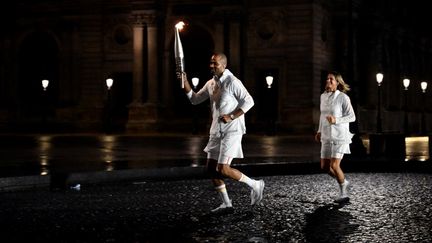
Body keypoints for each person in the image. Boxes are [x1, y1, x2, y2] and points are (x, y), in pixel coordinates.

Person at [180, 52, 265, 213]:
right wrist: (185, 82)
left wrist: (232, 116)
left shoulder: (233, 82)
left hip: (232, 130)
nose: (212, 66)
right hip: (216, 131)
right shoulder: (211, 83)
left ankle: (256, 184)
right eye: (211, 63)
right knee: (211, 169)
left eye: (215, 63)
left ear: (224, 65)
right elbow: (195, 99)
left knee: (223, 168)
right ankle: (226, 204)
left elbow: (249, 101)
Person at [315, 71, 355, 203]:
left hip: (339, 136)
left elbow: (352, 117)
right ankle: (343, 180)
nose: (328, 81)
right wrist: (319, 131)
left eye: (332, 79)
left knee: (335, 165)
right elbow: (322, 116)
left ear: (338, 83)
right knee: (325, 167)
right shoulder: (323, 97)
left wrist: (336, 120)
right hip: (326, 135)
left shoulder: (343, 97)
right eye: (327, 79)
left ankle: (343, 192)